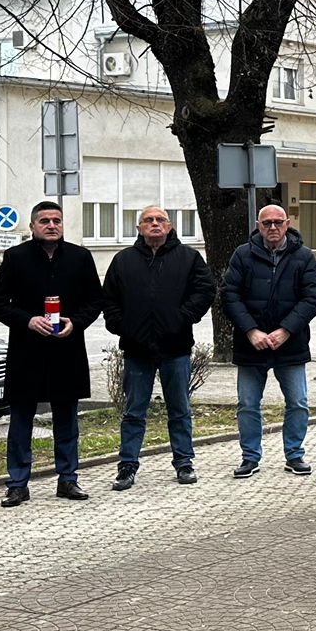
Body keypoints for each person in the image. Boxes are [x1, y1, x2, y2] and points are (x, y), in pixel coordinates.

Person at [0, 201, 104, 506]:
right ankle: (17, 484)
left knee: (67, 421)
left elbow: (96, 301)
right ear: (32, 227)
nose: (51, 225)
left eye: (56, 220)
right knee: (20, 421)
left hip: (67, 349)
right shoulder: (15, 257)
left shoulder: (80, 257)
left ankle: (68, 480)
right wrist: (27, 320)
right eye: (44, 221)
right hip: (27, 351)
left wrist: (75, 322)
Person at [102, 206, 214, 491]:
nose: (155, 224)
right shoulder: (123, 260)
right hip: (136, 349)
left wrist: (182, 318)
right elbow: (109, 299)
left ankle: (184, 462)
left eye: (160, 220)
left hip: (175, 347)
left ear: (170, 226)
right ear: (139, 228)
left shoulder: (189, 258)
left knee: (179, 409)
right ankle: (127, 465)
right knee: (133, 412)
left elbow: (205, 291)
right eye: (148, 220)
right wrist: (122, 326)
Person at [221, 202, 316, 478]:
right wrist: (251, 331)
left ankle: (295, 455)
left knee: (298, 402)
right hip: (250, 345)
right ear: (258, 226)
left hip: (291, 344)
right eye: (267, 223)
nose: (273, 227)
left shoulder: (304, 257)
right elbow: (229, 296)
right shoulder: (242, 255)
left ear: (287, 224)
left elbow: (312, 298)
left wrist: (286, 330)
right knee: (247, 404)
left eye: (278, 222)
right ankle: (250, 457)